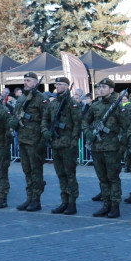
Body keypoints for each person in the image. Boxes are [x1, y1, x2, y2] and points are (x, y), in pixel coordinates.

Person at [82, 77, 127, 218]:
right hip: (96, 147)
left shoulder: (118, 106)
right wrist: (89, 133)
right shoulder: (95, 105)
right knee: (102, 178)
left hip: (112, 148)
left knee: (113, 178)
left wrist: (121, 145)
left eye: (104, 87)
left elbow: (126, 127)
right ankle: (106, 204)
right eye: (99, 87)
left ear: (111, 90)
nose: (100, 90)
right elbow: (84, 121)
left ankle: (115, 206)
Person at [42, 76, 83, 214]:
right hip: (56, 144)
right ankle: (64, 201)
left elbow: (78, 124)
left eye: (60, 84)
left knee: (70, 175)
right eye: (56, 84)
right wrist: (46, 131)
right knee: (61, 175)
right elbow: (45, 119)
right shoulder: (52, 104)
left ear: (66, 86)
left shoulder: (72, 103)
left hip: (68, 145)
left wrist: (73, 142)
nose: (57, 86)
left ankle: (72, 203)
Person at [12, 72, 46, 211]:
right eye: (24, 80)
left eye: (29, 80)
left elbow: (46, 119)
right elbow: (15, 115)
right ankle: (29, 197)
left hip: (34, 140)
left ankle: (36, 200)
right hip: (22, 139)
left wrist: (43, 140)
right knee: (27, 171)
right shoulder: (22, 99)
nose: (26, 83)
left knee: (35, 171)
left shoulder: (41, 99)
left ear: (35, 83)